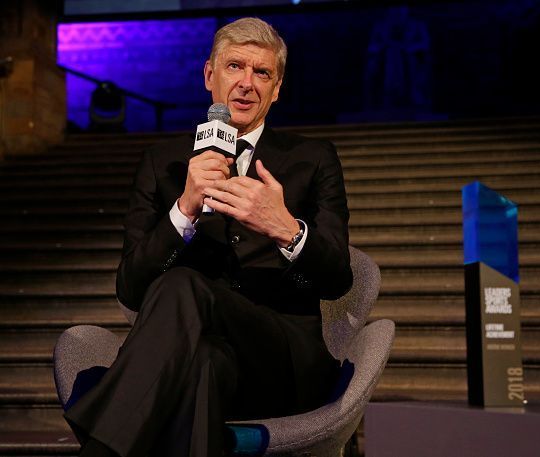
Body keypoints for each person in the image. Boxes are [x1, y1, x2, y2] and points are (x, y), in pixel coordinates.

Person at [64, 17, 352, 457]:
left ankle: (99, 446)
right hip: (195, 354)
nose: (246, 84)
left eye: (263, 73)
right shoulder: (165, 164)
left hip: (279, 357)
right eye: (235, 67)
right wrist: (184, 210)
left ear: (277, 90)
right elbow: (132, 289)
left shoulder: (312, 159)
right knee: (202, 365)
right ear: (209, 76)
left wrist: (286, 228)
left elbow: (338, 278)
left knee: (183, 284)